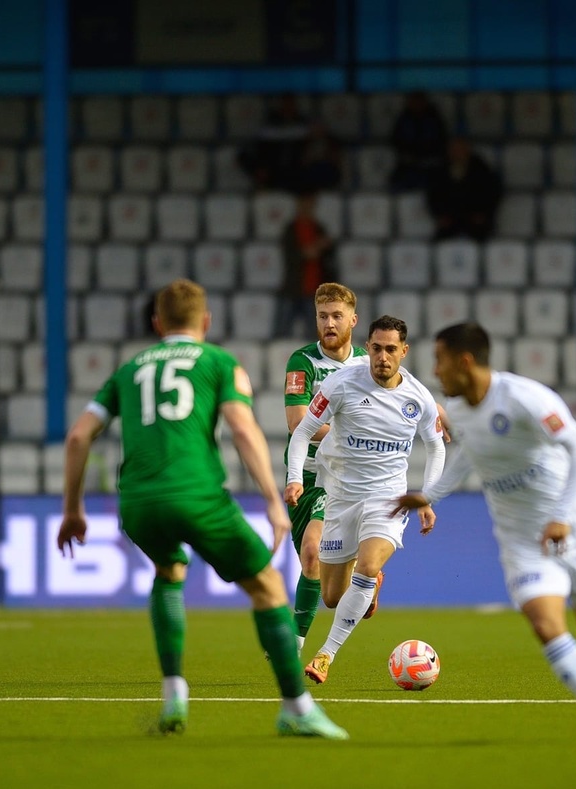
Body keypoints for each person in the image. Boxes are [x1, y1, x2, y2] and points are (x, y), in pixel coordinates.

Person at [56, 278, 347, 740]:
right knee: (268, 588)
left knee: (168, 571)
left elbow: (77, 437)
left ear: (157, 323)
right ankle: (296, 708)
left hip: (137, 502)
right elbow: (243, 430)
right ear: (206, 322)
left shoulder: (129, 369)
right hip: (196, 495)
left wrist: (72, 510)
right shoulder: (218, 362)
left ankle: (174, 691)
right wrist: (272, 501)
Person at [390, 322, 576, 749]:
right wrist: (429, 494)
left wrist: (561, 515)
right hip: (521, 540)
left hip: (574, 528)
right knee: (545, 624)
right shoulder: (459, 410)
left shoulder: (524, 398)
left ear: (464, 362)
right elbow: (468, 454)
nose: (435, 371)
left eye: (440, 360)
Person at [285, 315, 446, 685]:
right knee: (331, 596)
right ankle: (368, 584)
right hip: (340, 497)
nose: (382, 357)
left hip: (387, 498)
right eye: (376, 348)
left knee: (368, 566)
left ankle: (325, 655)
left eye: (391, 349)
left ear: (404, 351)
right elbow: (303, 432)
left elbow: (436, 447)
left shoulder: (418, 397)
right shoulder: (342, 384)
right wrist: (294, 478)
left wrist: (427, 498)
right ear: (368, 347)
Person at [281, 283, 369, 651]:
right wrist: (352, 436)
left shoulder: (368, 363)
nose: (329, 323)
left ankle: (294, 643)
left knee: (313, 552)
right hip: (307, 474)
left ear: (353, 320)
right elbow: (297, 422)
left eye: (336, 316)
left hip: (344, 477)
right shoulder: (302, 362)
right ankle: (365, 575)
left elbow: (405, 397)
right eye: (322, 316)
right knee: (316, 568)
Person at [275, 192, 335, 338]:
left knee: (314, 336)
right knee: (282, 334)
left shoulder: (318, 228)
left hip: (315, 291)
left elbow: (328, 253)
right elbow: (294, 255)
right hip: (293, 288)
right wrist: (314, 248)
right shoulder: (291, 229)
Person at [426, 137, 504, 242]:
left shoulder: (481, 168)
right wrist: (440, 215)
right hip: (450, 218)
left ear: (467, 150)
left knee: (482, 238)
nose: (457, 153)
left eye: (460, 149)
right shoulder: (440, 169)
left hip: (474, 217)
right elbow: (433, 194)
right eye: (453, 150)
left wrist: (484, 213)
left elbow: (492, 192)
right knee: (437, 242)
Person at [237, 93, 309, 191]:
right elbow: (261, 147)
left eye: (291, 104)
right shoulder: (270, 122)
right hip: (273, 169)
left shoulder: (303, 122)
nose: (288, 108)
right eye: (285, 104)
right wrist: (261, 166)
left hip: (296, 169)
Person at [389, 91, 448, 191]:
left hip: (431, 163)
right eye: (414, 102)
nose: (417, 105)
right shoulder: (403, 119)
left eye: (419, 102)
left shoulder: (434, 119)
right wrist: (408, 156)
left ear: (425, 103)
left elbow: (442, 141)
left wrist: (429, 156)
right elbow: (396, 141)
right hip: (409, 164)